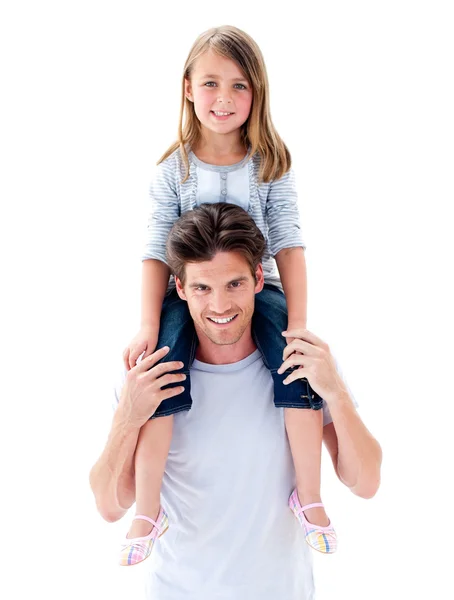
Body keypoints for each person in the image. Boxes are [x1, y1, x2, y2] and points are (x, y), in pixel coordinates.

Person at [120, 23, 341, 564]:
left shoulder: (270, 162)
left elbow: (288, 243)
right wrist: (150, 324)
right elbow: (154, 249)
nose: (224, 98)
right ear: (189, 89)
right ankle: (148, 509)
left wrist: (296, 323)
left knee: (296, 370)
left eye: (239, 85)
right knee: (160, 371)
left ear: (257, 94)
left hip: (254, 287)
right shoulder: (175, 169)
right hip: (189, 293)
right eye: (211, 84)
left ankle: (308, 495)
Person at [89, 203, 382, 599]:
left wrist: (337, 393)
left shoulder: (300, 367)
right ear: (180, 288)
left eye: (234, 284)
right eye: (202, 288)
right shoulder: (147, 376)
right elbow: (110, 505)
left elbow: (365, 482)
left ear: (259, 278)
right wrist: (128, 416)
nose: (220, 306)